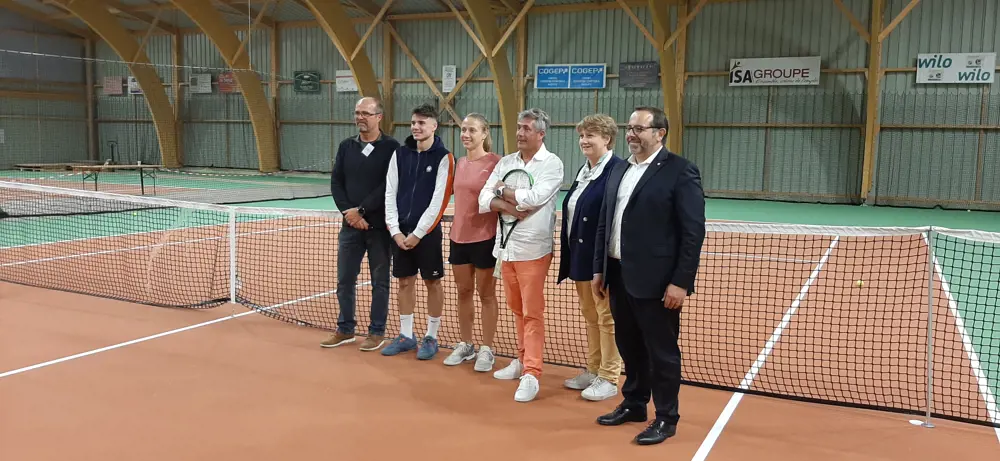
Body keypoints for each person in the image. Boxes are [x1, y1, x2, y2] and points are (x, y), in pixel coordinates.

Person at [592, 106, 706, 446]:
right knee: (629, 345)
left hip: (657, 281)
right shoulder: (619, 169)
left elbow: (692, 232)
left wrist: (681, 282)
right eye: (630, 128)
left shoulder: (680, 171)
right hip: (617, 274)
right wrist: (600, 268)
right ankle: (635, 403)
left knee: (662, 353)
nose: (632, 134)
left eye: (639, 129)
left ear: (660, 133)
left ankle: (667, 418)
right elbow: (606, 221)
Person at [478, 108, 564, 403]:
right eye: (518, 127)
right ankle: (522, 358)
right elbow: (483, 198)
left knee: (532, 313)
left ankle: (532, 373)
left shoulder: (552, 164)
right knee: (516, 309)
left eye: (526, 128)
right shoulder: (506, 162)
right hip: (506, 249)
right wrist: (507, 205)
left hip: (534, 251)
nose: (519, 133)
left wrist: (502, 189)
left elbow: (534, 198)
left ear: (541, 133)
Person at [321, 96, 399, 352]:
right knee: (344, 280)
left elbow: (388, 186)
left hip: (379, 230)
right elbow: (336, 182)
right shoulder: (346, 146)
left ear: (379, 117)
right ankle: (345, 329)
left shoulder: (392, 148)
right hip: (350, 228)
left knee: (380, 283)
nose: (360, 117)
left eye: (366, 113)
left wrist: (362, 210)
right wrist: (349, 213)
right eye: (357, 113)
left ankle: (376, 332)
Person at [381, 103, 456, 360]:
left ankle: (431, 337)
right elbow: (390, 192)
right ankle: (406, 335)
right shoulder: (400, 154)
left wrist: (418, 233)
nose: (416, 127)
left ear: (434, 126)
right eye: (413, 122)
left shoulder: (444, 158)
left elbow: (440, 200)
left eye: (422, 123)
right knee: (404, 282)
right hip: (400, 232)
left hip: (427, 233)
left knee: (432, 282)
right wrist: (395, 231)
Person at [557, 114, 623, 401]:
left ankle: (609, 376)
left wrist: (603, 261)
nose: (584, 140)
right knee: (590, 315)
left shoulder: (617, 170)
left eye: (590, 135)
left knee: (607, 317)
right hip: (579, 255)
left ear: (606, 139)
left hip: (602, 259)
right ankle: (594, 369)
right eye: (582, 136)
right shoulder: (585, 171)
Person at [442, 113, 501, 372]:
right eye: (463, 130)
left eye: (472, 130)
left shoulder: (497, 163)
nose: (466, 135)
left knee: (486, 294)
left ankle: (487, 348)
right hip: (458, 237)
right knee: (463, 292)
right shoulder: (458, 163)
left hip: (486, 239)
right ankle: (466, 344)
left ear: (484, 133)